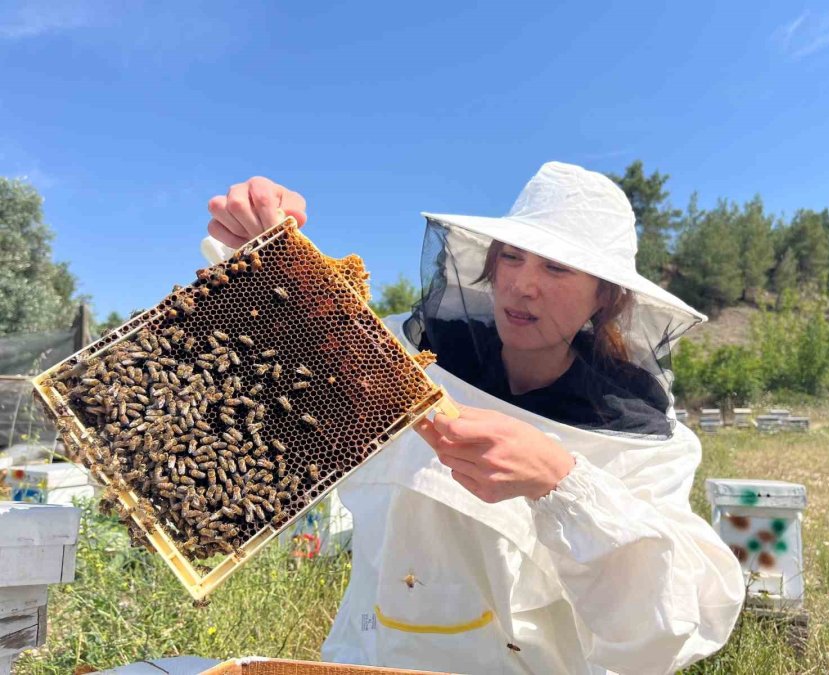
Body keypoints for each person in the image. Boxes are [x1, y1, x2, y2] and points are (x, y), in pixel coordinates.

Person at [207, 162, 745, 675]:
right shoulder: (403, 357)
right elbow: (265, 396)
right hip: (369, 656)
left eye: (556, 267)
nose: (523, 284)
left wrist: (562, 481)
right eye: (512, 257)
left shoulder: (645, 444)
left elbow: (673, 626)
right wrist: (257, 255)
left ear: (603, 297)